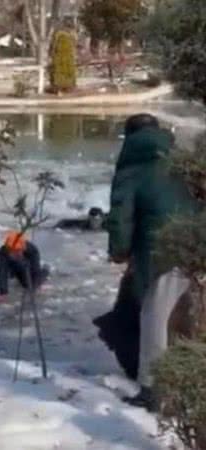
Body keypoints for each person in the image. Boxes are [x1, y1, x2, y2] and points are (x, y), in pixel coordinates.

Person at [101, 113, 199, 409]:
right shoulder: (182, 159)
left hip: (161, 249)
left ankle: (153, 390)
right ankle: (191, 381)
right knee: (186, 315)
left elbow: (121, 217)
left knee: (155, 317)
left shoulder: (134, 168)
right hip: (197, 244)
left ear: (129, 137)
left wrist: (119, 250)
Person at [0, 231, 50, 304]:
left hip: (26, 263)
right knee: (12, 273)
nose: (14, 253)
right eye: (12, 251)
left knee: (28, 284)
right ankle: (16, 273)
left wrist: (37, 284)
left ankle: (46, 270)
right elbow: (2, 271)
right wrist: (3, 293)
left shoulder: (32, 250)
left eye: (17, 251)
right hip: (13, 265)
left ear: (22, 249)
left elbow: (35, 269)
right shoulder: (4, 251)